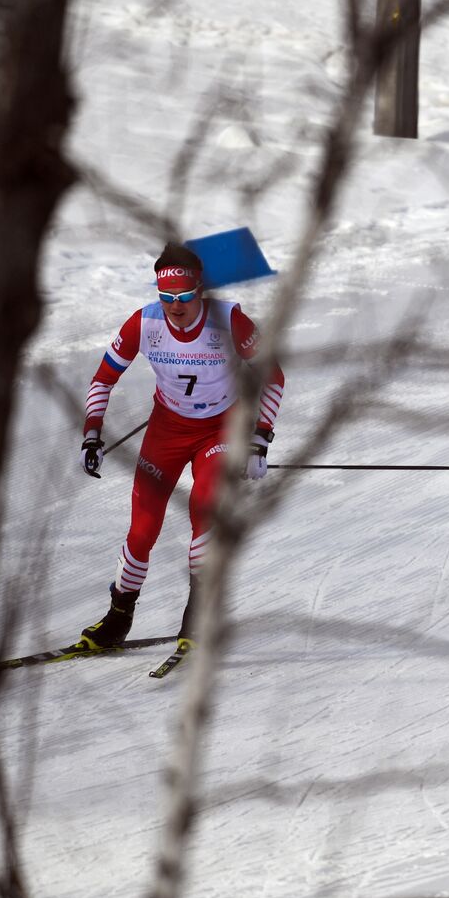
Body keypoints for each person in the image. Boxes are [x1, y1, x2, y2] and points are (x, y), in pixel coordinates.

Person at [77, 243, 285, 649]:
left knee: (203, 515)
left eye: (185, 297)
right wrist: (91, 434)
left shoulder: (230, 322)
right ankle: (118, 617)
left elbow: (272, 377)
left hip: (219, 432)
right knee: (141, 531)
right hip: (167, 432)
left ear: (200, 291)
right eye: (166, 296)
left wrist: (260, 439)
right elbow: (102, 379)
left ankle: (198, 615)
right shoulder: (143, 323)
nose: (175, 306)